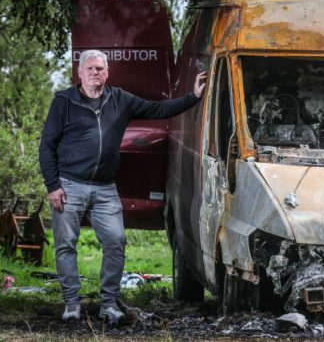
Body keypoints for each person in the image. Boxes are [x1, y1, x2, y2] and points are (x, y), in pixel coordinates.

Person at [39, 49, 206, 324]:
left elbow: (158, 109)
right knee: (66, 245)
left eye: (100, 68)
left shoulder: (120, 99)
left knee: (116, 241)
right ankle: (71, 304)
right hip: (70, 185)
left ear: (108, 72)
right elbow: (47, 146)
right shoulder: (63, 102)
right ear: (79, 73)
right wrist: (53, 185)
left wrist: (194, 97)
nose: (96, 72)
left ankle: (109, 304)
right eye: (90, 68)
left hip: (105, 188)